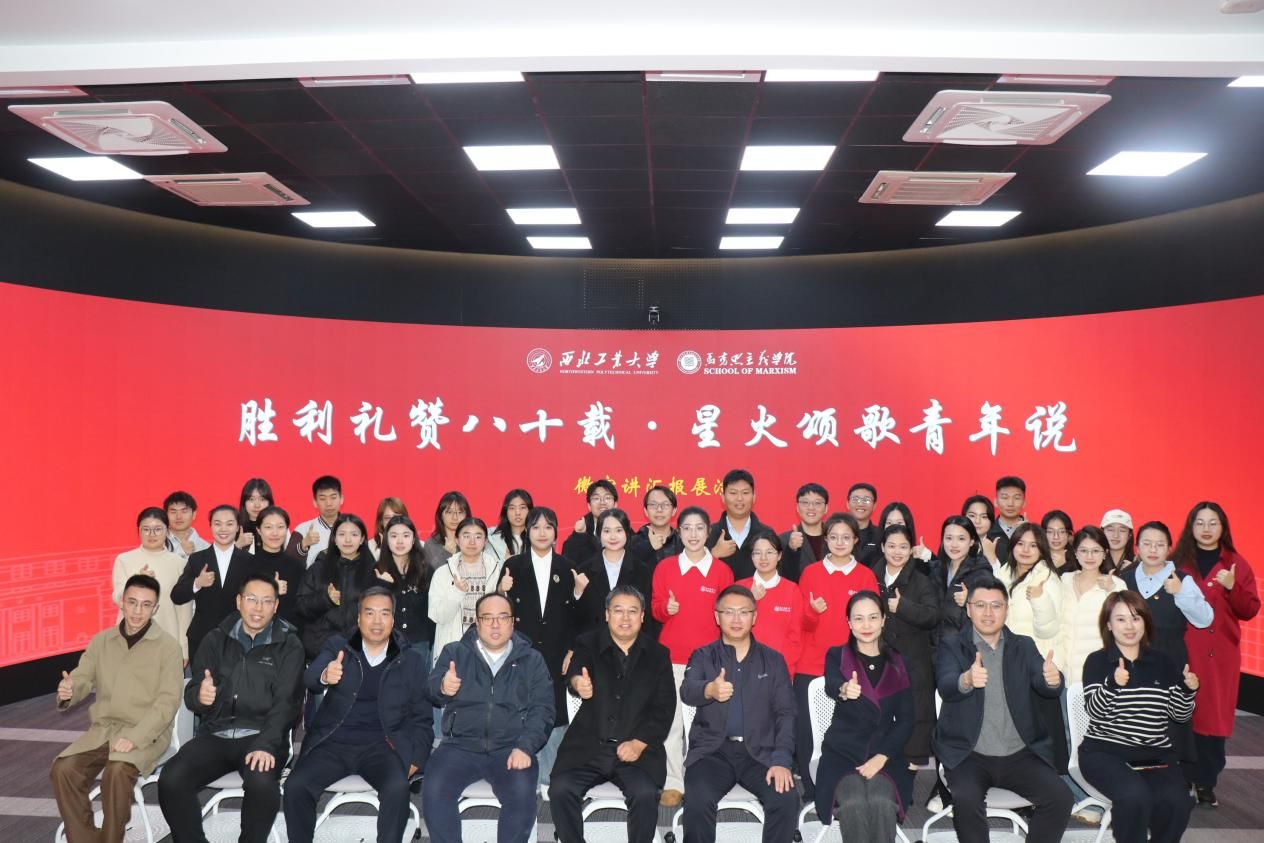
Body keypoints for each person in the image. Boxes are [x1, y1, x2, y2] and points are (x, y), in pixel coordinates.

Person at [159, 573, 304, 843]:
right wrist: (200, 696)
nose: (258, 608)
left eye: (266, 601)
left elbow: (288, 702)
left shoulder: (289, 644)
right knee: (172, 778)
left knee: (262, 783)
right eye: (251, 599)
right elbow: (192, 694)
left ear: (276, 606)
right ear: (239, 601)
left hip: (261, 735)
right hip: (216, 733)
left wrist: (267, 744)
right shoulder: (215, 639)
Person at [284, 587, 433, 843]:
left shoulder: (411, 660)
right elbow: (310, 678)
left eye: (384, 614)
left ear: (393, 620)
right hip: (333, 742)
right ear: (358, 617)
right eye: (369, 613)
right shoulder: (339, 647)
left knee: (397, 788)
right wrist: (325, 675)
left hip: (383, 746)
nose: (377, 621)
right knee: (296, 787)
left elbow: (423, 718)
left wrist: (416, 759)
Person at [933, 575, 1073, 843]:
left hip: (1020, 754)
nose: (988, 613)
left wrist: (1053, 679)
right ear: (969, 609)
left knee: (1061, 798)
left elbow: (1044, 683)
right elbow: (946, 685)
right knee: (966, 799)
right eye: (980, 605)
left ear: (1006, 610)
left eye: (996, 606)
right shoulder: (953, 645)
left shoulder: (1023, 646)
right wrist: (966, 679)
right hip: (969, 754)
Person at [51, 574, 184, 843]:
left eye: (146, 605)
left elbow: (167, 703)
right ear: (121, 602)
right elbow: (82, 677)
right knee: (63, 770)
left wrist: (135, 738)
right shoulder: (102, 641)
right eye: (132, 602)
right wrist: (70, 689)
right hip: (104, 730)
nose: (137, 611)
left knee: (117, 772)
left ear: (155, 608)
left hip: (147, 732)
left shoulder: (169, 647)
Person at [423, 592, 554, 843]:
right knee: (435, 789)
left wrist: (525, 747)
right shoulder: (455, 652)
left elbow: (544, 709)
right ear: (477, 622)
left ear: (512, 622)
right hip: (459, 746)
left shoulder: (532, 659)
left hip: (511, 748)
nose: (495, 625)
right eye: (487, 618)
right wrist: (442, 687)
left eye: (502, 617)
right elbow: (430, 690)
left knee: (521, 795)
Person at [550, 586, 675, 843]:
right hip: (587, 747)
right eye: (618, 611)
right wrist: (577, 683)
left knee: (645, 794)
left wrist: (639, 743)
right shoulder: (587, 643)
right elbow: (575, 671)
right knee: (561, 790)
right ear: (607, 614)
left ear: (642, 616)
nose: (625, 618)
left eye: (632, 611)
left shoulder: (658, 655)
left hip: (637, 752)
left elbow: (664, 708)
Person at [680, 585, 798, 843]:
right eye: (729, 612)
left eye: (744, 612)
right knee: (697, 801)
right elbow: (687, 690)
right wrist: (709, 689)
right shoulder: (703, 656)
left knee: (786, 798)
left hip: (761, 753)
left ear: (754, 617)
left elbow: (786, 713)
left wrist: (781, 760)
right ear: (717, 616)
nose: (736, 619)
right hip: (713, 751)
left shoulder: (773, 660)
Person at [1079, 591, 1198, 843]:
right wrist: (1112, 684)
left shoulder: (1163, 662)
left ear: (1145, 622)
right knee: (1134, 796)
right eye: (1121, 619)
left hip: (1154, 754)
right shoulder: (1097, 661)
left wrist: (1188, 690)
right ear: (1108, 625)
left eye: (1136, 618)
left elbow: (1179, 715)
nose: (1129, 626)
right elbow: (1095, 713)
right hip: (1105, 753)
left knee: (1177, 802)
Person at [1173, 501, 1259, 807]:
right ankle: (1182, 776)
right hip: (1183, 651)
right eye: (1200, 522)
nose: (1206, 529)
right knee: (1183, 715)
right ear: (1191, 526)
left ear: (1223, 527)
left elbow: (1250, 609)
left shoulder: (1236, 563)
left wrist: (1234, 587)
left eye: (1213, 523)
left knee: (1214, 721)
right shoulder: (1177, 562)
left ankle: (1206, 781)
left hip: (1220, 655)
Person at [651, 506, 735, 805]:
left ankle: (706, 779)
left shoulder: (722, 571)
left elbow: (730, 615)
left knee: (710, 724)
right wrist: (666, 609)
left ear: (708, 531)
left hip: (711, 661)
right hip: (672, 656)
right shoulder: (665, 567)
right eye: (687, 528)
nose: (693, 534)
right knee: (672, 723)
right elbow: (655, 608)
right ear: (679, 532)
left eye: (700, 528)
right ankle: (674, 782)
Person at [816, 591, 914, 841]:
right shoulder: (838, 655)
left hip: (886, 754)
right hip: (842, 753)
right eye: (858, 619)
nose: (866, 625)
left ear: (883, 620)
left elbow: (906, 720)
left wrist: (882, 757)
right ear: (849, 623)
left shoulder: (898, 661)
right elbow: (832, 684)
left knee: (881, 802)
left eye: (873, 617)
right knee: (854, 803)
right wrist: (844, 689)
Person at [794, 512, 879, 800]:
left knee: (850, 729)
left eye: (846, 537)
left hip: (852, 666)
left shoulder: (865, 576)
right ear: (825, 539)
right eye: (833, 537)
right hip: (812, 664)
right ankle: (812, 789)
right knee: (808, 730)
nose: (839, 542)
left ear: (855, 540)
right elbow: (801, 625)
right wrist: (812, 612)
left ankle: (849, 788)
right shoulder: (811, 573)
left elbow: (872, 626)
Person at [498, 506, 576, 786]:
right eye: (536, 527)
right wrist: (502, 589)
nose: (542, 533)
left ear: (556, 532)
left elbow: (576, 616)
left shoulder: (567, 567)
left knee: (554, 712)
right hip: (522, 651)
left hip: (557, 651)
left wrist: (571, 650)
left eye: (548, 527)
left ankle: (548, 777)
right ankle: (522, 775)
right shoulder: (513, 566)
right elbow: (500, 612)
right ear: (527, 532)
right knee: (520, 708)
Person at [872, 524, 939, 767]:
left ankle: (910, 773)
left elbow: (933, 615)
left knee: (915, 716)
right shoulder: (871, 577)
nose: (897, 552)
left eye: (903, 547)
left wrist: (903, 607)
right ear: (882, 547)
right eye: (891, 546)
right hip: (880, 659)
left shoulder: (921, 580)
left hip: (914, 661)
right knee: (881, 715)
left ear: (911, 550)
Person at [172, 504, 255, 663]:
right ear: (210, 526)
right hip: (202, 638)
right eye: (217, 524)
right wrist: (197, 583)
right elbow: (177, 595)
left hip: (239, 638)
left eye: (229, 524)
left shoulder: (249, 561)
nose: (223, 529)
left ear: (238, 527)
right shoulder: (197, 559)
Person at [112, 507, 192, 663]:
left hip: (167, 642)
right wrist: (137, 579)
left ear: (167, 531)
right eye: (146, 529)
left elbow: (185, 611)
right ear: (139, 531)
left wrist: (183, 647)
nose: (152, 534)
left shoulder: (179, 564)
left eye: (157, 529)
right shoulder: (124, 560)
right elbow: (118, 599)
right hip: (130, 641)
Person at [296, 513, 376, 660]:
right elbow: (301, 607)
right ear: (334, 538)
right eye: (342, 534)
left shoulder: (373, 572)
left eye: (354, 534)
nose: (347, 540)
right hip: (321, 647)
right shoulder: (318, 568)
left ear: (362, 539)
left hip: (360, 648)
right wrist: (325, 599)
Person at [429, 516, 505, 665]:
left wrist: (501, 590)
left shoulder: (496, 571)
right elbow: (437, 616)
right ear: (457, 540)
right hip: (452, 648)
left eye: (478, 536)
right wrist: (456, 592)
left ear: (486, 541)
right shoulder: (442, 573)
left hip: (488, 649)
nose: (472, 542)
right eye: (466, 536)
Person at [1058, 526, 1125, 687]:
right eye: (1083, 550)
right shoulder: (1064, 580)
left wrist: (1111, 590)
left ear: (1105, 553)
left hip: (1099, 675)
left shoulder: (1116, 584)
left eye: (1095, 551)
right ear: (1075, 552)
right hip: (1063, 674)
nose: (1089, 556)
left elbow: (1124, 625)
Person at [573, 507, 655, 638]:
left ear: (627, 533)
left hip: (630, 642)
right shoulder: (584, 570)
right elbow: (575, 617)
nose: (612, 536)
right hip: (593, 643)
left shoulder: (642, 571)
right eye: (606, 531)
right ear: (599, 534)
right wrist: (577, 593)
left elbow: (647, 618)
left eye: (618, 530)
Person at [737, 532, 804, 669]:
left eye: (769, 552)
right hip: (743, 667)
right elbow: (733, 629)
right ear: (752, 556)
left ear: (779, 555)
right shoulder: (739, 588)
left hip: (780, 668)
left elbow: (795, 636)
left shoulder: (792, 590)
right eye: (757, 553)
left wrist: (781, 666)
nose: (763, 558)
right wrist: (751, 600)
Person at [376, 514, 434, 666]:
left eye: (406, 535)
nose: (400, 541)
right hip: (386, 644)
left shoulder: (426, 570)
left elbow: (433, 612)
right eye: (394, 536)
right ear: (386, 540)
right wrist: (385, 585)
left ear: (414, 539)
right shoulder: (377, 570)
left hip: (419, 644)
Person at [929, 516, 992, 646]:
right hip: (935, 649)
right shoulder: (937, 570)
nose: (954, 544)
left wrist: (971, 599)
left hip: (966, 650)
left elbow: (992, 607)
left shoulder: (981, 571)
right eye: (949, 538)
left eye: (961, 539)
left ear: (971, 541)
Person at [707, 468, 770, 581]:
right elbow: (695, 577)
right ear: (723, 498)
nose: (739, 498)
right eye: (733, 493)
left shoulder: (767, 534)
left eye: (745, 493)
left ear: (754, 497)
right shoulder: (708, 534)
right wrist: (713, 555)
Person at [249, 505, 306, 631]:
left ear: (286, 530)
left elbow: (302, 608)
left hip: (289, 636)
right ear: (259, 530)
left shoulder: (297, 566)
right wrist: (271, 590)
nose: (275, 533)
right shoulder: (246, 564)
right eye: (268, 527)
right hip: (254, 634)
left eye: (280, 527)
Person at [288, 475, 343, 568]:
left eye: (333, 497)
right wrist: (303, 544)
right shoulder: (302, 529)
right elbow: (287, 563)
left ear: (341, 499)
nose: (328, 503)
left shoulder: (354, 528)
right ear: (315, 502)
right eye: (322, 499)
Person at [779, 483, 829, 583]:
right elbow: (782, 578)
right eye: (805, 502)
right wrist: (791, 550)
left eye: (817, 503)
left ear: (826, 508)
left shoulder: (835, 539)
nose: (811, 507)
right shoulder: (783, 540)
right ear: (797, 507)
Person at [561, 479, 618, 567]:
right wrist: (578, 536)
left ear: (615, 504)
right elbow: (567, 564)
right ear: (589, 506)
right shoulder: (581, 531)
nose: (602, 502)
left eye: (607, 498)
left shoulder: (625, 532)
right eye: (596, 498)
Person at [629, 484, 683, 565]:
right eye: (653, 505)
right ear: (646, 511)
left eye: (665, 505)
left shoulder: (683, 542)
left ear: (674, 511)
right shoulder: (632, 542)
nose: (659, 509)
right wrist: (648, 548)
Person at [879, 502, 934, 573]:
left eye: (899, 523)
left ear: (908, 526)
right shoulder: (874, 558)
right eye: (889, 523)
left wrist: (927, 554)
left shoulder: (919, 561)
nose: (894, 527)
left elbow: (942, 573)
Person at [423, 490, 471, 570]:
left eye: (460, 512)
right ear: (440, 515)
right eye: (449, 512)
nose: (455, 517)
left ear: (466, 516)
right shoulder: (431, 544)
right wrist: (446, 553)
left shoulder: (473, 541)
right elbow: (432, 573)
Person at [986, 476, 1027, 565]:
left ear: (1024, 502)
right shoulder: (986, 533)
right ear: (996, 502)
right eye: (1005, 498)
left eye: (1016, 498)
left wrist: (1028, 532)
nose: (1010, 503)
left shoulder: (1035, 534)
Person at [489, 488, 534, 561]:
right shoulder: (491, 537)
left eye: (522, 507)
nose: (517, 512)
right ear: (505, 511)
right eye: (512, 508)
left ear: (530, 510)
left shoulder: (537, 538)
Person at [165, 491, 211, 559]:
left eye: (184, 511)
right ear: (166, 515)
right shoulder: (157, 543)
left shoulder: (206, 548)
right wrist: (181, 551)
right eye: (173, 512)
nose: (178, 516)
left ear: (194, 515)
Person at [847, 482, 882, 566]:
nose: (860, 504)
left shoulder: (881, 535)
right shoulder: (837, 534)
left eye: (866, 500)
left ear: (874, 506)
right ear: (847, 504)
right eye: (856, 499)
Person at [235, 478, 274, 551]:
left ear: (269, 502)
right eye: (251, 499)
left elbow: (290, 555)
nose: (257, 505)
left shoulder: (279, 526)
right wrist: (238, 545)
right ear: (244, 502)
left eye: (262, 499)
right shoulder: (234, 527)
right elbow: (222, 557)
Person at [368, 496, 409, 560]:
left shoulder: (420, 546)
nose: (392, 521)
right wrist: (383, 551)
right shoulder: (369, 547)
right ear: (381, 521)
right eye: (387, 518)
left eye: (397, 517)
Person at [962, 495, 999, 565]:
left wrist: (992, 557)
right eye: (972, 516)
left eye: (984, 517)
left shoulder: (1000, 546)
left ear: (991, 521)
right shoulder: (953, 543)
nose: (977, 521)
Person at [1101, 509, 1136, 573]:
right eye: (1110, 530)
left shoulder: (1138, 564)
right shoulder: (1094, 562)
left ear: (1130, 535)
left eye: (1122, 530)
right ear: (1102, 532)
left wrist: (1133, 573)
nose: (1115, 535)